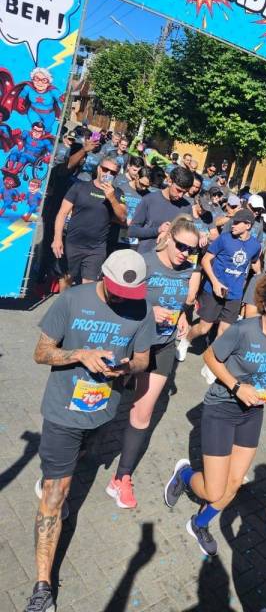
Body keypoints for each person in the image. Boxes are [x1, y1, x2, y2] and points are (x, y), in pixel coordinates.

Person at [25, 250, 155, 612]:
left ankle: (56, 475)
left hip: (103, 413)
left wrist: (128, 367)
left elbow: (143, 358)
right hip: (63, 411)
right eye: (117, 293)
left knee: (79, 462)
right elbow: (41, 352)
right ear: (103, 277)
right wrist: (79, 354)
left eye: (130, 296)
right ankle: (42, 588)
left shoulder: (141, 308)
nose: (123, 301)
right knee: (56, 494)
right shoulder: (72, 300)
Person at [163, 272, 266, 556]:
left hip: (253, 411)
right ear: (265, 304)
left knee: (234, 483)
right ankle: (184, 474)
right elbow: (210, 357)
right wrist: (237, 387)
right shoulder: (244, 330)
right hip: (222, 407)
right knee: (213, 490)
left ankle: (199, 523)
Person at [106, 217, 201, 508]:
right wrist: (150, 310)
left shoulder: (187, 271)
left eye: (191, 250)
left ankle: (121, 478)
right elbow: (117, 300)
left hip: (163, 346)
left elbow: (180, 303)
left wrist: (183, 317)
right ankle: (79, 449)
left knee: (142, 413)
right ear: (168, 237)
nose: (185, 253)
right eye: (181, 246)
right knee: (104, 404)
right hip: (130, 344)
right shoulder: (144, 263)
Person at [185, 208, 261, 346]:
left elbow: (255, 262)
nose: (233, 225)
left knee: (224, 331)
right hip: (214, 289)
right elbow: (205, 260)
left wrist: (260, 276)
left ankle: (211, 358)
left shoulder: (255, 245)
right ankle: (186, 340)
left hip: (235, 293)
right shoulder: (224, 238)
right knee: (204, 328)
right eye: (233, 222)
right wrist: (215, 283)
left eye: (237, 223)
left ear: (248, 225)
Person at [52, 156, 127, 285]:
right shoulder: (80, 187)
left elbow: (123, 217)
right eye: (105, 169)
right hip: (73, 243)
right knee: (66, 280)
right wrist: (57, 238)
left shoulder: (118, 193)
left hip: (96, 248)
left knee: (89, 286)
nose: (108, 174)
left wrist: (111, 198)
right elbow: (62, 213)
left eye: (113, 172)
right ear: (99, 169)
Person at [128, 165, 193, 254]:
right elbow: (132, 231)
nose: (181, 195)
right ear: (169, 181)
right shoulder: (149, 199)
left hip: (170, 258)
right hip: (146, 255)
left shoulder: (187, 207)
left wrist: (168, 233)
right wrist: (157, 230)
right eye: (178, 190)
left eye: (185, 192)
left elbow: (186, 236)